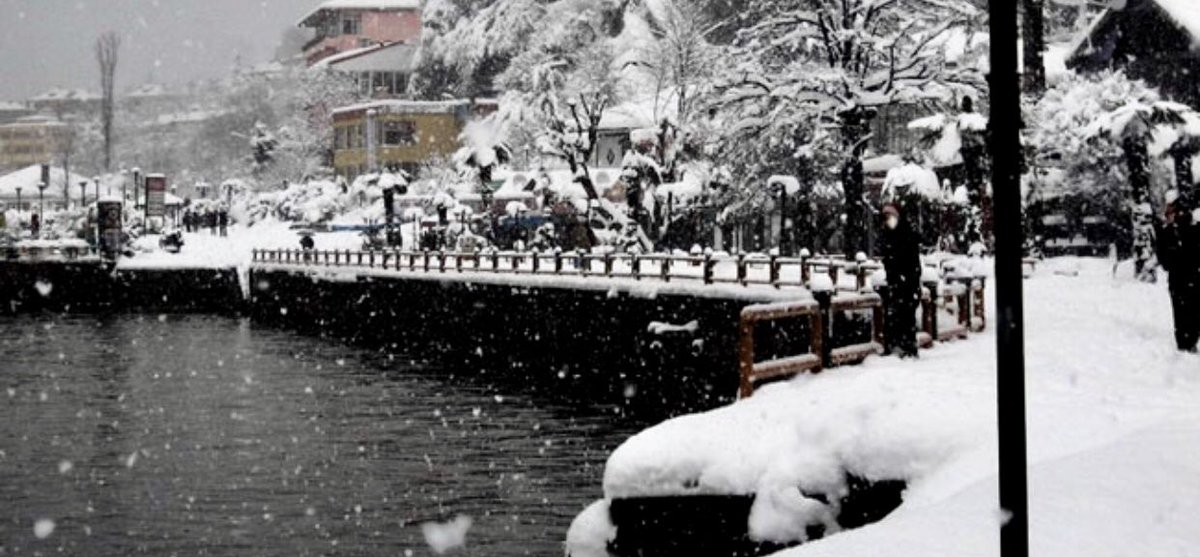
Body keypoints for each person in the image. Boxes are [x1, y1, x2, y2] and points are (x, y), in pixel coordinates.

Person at [1154, 190, 1199, 352]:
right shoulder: (1171, 228)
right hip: (1186, 275)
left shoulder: (1174, 229)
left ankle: (1186, 341)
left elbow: (1163, 255)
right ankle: (1188, 341)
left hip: (1184, 274)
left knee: (1184, 310)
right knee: (1187, 310)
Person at [879, 204, 922, 358]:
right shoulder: (887, 235)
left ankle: (908, 348)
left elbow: (913, 263)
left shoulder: (906, 234)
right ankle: (895, 346)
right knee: (894, 316)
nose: (888, 221)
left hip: (908, 283)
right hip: (895, 283)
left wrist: (909, 281)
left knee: (906, 316)